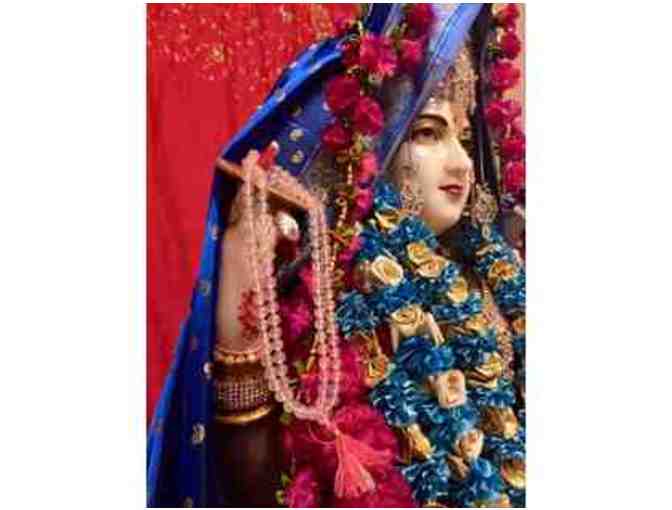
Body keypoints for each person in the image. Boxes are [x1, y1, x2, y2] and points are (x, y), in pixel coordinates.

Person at [148, 4, 525, 507]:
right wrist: (240, 301)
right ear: (380, 143)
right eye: (429, 133)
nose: (460, 162)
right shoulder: (334, 297)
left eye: (462, 136)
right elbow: (258, 485)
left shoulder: (495, 279)